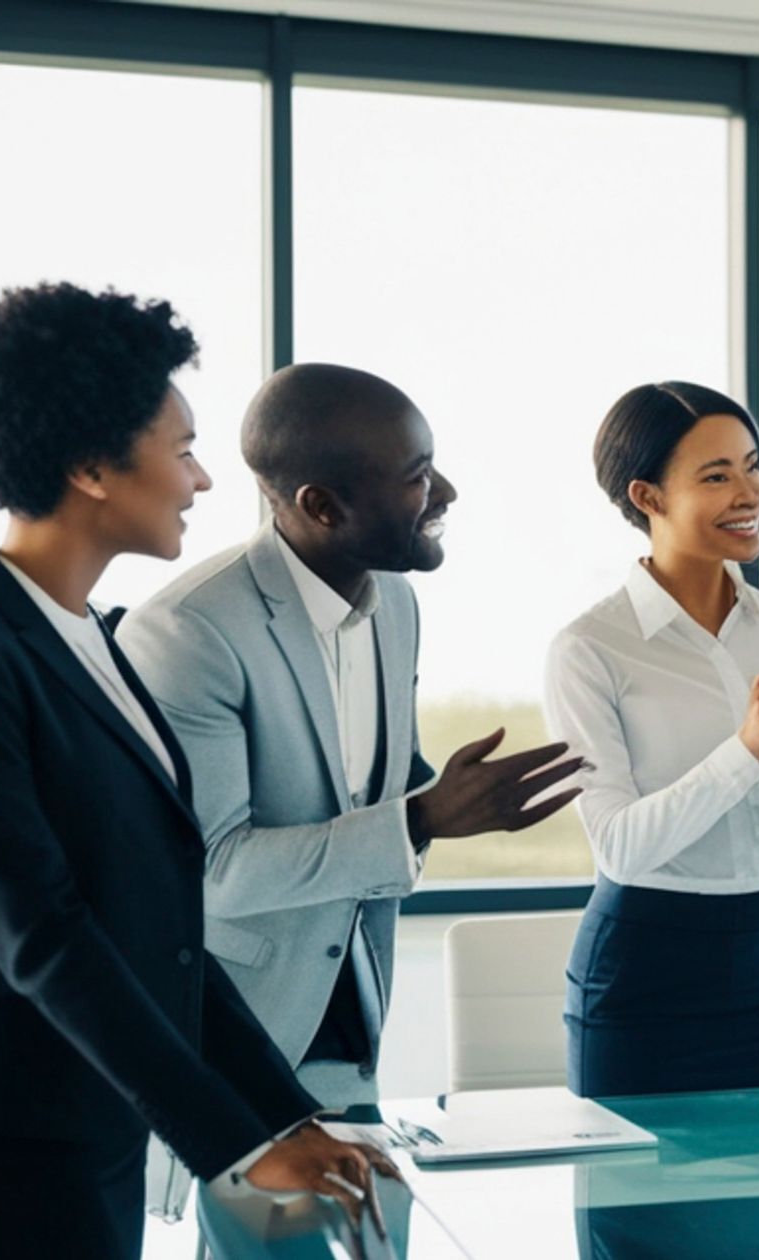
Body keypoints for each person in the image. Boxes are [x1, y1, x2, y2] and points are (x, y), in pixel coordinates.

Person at [0, 283, 393, 1260]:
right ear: (91, 467)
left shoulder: (93, 638)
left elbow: (161, 936)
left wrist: (286, 1119)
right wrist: (238, 1144)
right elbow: (43, 935)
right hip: (2, 1141)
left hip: (91, 1126)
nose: (203, 481)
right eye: (180, 451)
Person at [121, 363, 583, 1109]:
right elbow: (214, 872)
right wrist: (425, 817)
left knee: (379, 1229)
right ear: (322, 506)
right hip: (236, 1045)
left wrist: (451, 800)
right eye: (418, 476)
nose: (447, 495)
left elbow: (365, 789)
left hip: (358, 1028)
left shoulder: (395, 602)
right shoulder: (189, 633)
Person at [544, 381, 759, 1097]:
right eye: (717, 476)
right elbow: (619, 846)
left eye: (753, 465)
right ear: (647, 496)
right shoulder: (589, 648)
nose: (751, 492)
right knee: (631, 1207)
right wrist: (747, 748)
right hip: (641, 971)